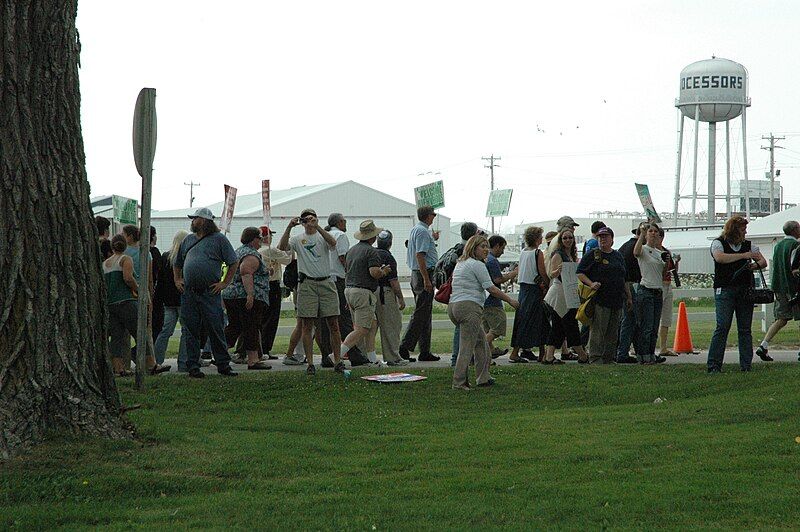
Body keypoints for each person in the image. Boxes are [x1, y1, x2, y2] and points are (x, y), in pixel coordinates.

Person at [173, 207, 240, 378]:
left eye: (195, 219)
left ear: (203, 221)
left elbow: (233, 262)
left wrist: (224, 283)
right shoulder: (188, 240)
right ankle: (193, 365)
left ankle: (223, 364)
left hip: (209, 292)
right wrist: (177, 279)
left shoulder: (219, 240)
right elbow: (178, 262)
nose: (192, 222)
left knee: (215, 328)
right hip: (189, 292)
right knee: (191, 329)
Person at [277, 208, 346, 374]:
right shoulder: (297, 239)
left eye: (313, 218)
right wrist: (289, 226)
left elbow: (333, 243)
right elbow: (282, 247)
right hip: (307, 284)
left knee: (333, 324)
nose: (310, 221)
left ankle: (338, 361)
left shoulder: (322, 236)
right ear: (302, 222)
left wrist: (318, 227)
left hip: (326, 282)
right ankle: (310, 363)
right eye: (306, 219)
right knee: (307, 325)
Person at [449, 234, 519, 390]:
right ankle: (459, 382)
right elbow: (492, 288)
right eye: (483, 246)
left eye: (487, 246)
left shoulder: (461, 263)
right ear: (473, 248)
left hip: (454, 306)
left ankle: (483, 377)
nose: (486, 249)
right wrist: (510, 300)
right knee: (467, 347)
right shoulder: (477, 265)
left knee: (481, 344)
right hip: (469, 307)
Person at [707, 216, 767, 373]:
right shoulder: (718, 243)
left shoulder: (749, 245)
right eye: (742, 229)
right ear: (734, 229)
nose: (745, 232)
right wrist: (743, 256)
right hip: (725, 289)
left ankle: (746, 365)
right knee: (722, 327)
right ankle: (714, 365)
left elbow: (763, 262)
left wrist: (754, 265)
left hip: (744, 290)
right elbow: (720, 258)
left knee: (745, 329)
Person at [103, 234, 169, 376]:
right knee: (140, 332)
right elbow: (128, 278)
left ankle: (118, 368)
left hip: (111, 304)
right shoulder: (126, 259)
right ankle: (151, 364)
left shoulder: (106, 263)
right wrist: (139, 290)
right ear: (125, 246)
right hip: (126, 301)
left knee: (116, 336)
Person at [340, 220, 392, 364]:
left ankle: (372, 358)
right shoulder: (371, 251)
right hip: (363, 293)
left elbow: (348, 272)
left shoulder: (352, 250)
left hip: (349, 290)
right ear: (372, 237)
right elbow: (374, 272)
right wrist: (384, 271)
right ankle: (337, 355)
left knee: (372, 324)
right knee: (361, 329)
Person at [577, 227, 632, 364]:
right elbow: (580, 272)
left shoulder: (618, 256)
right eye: (600, 237)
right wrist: (591, 283)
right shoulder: (593, 255)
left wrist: (629, 297)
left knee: (613, 332)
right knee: (598, 331)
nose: (603, 239)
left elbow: (624, 278)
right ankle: (595, 357)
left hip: (617, 299)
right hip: (600, 299)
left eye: (606, 236)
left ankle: (609, 357)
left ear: (612, 239)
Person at [318, 213, 366, 366]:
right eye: (344, 221)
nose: (345, 223)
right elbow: (342, 257)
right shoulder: (341, 236)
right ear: (339, 222)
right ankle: (352, 353)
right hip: (338, 279)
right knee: (344, 318)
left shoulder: (322, 235)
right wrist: (350, 273)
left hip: (324, 278)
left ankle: (327, 355)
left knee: (324, 320)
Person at [222, 227, 272, 370]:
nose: (261, 241)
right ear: (253, 239)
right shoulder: (251, 254)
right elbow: (246, 272)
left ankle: (220, 352)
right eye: (259, 238)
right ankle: (253, 360)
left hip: (231, 295)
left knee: (234, 326)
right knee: (252, 326)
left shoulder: (237, 252)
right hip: (244, 296)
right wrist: (250, 295)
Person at [399, 205, 440, 362]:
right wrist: (426, 279)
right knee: (420, 313)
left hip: (417, 274)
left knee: (425, 313)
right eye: (433, 214)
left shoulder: (417, 230)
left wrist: (433, 239)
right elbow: (420, 255)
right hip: (424, 273)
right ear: (427, 216)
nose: (434, 217)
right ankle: (404, 347)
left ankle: (425, 350)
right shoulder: (422, 231)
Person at [436, 221, 480, 366]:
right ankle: (458, 359)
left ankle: (465, 358)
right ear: (474, 234)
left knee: (463, 326)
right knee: (462, 327)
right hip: (463, 294)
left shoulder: (455, 249)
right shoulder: (467, 252)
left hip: (455, 294)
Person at [755, 220, 800, 361]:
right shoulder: (795, 246)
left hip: (778, 287)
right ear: (794, 230)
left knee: (781, 318)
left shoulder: (778, 246)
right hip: (793, 288)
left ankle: (764, 344)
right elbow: (794, 267)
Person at [543, 229, 589, 364]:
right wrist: (558, 270)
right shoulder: (558, 255)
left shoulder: (572, 255)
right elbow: (551, 274)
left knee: (559, 326)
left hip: (569, 293)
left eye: (570, 238)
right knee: (571, 325)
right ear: (561, 240)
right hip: (560, 294)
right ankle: (581, 354)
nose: (567, 240)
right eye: (565, 238)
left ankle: (549, 356)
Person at [509, 226, 548, 363]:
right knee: (538, 320)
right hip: (534, 290)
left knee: (524, 319)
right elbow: (542, 272)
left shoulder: (523, 252)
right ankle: (540, 352)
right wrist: (547, 283)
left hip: (524, 290)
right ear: (537, 238)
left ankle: (519, 350)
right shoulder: (538, 253)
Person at [153, 230, 188, 370]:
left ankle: (156, 361)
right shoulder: (186, 257)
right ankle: (183, 363)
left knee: (165, 331)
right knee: (186, 331)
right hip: (182, 298)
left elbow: (160, 280)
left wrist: (159, 299)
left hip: (168, 300)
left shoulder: (166, 256)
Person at [633, 223, 667, 364]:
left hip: (658, 291)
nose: (653, 233)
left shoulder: (660, 253)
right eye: (650, 231)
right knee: (646, 326)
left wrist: (670, 263)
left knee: (654, 327)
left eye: (655, 231)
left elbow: (663, 273)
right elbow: (636, 253)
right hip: (646, 290)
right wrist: (641, 234)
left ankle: (651, 354)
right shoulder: (644, 250)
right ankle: (643, 355)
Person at [374, 230, 409, 366]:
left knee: (370, 327)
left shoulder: (372, 254)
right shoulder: (389, 258)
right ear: (390, 242)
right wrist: (400, 298)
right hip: (385, 293)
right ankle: (392, 357)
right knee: (391, 325)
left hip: (370, 292)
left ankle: (367, 356)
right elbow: (393, 281)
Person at [258, 225, 293, 360]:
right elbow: (287, 259)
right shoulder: (270, 250)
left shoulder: (262, 250)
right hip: (272, 285)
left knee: (263, 318)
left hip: (264, 286)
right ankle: (266, 347)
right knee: (271, 318)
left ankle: (263, 348)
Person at [615, 224, 645, 364]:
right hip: (631, 285)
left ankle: (637, 351)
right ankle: (623, 353)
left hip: (623, 285)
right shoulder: (636, 249)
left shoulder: (625, 246)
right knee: (630, 321)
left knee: (630, 321)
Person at [483, 235, 517, 358]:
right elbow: (498, 279)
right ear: (497, 246)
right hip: (492, 301)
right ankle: (477, 350)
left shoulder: (486, 259)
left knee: (486, 329)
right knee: (498, 327)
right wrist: (513, 273)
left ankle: (491, 351)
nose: (503, 252)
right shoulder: (492, 261)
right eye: (502, 248)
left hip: (483, 301)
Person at [655, 228, 680, 357]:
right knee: (653, 318)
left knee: (666, 317)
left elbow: (672, 270)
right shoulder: (650, 252)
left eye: (659, 236)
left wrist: (676, 263)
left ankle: (663, 347)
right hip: (657, 285)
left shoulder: (666, 252)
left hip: (667, 284)